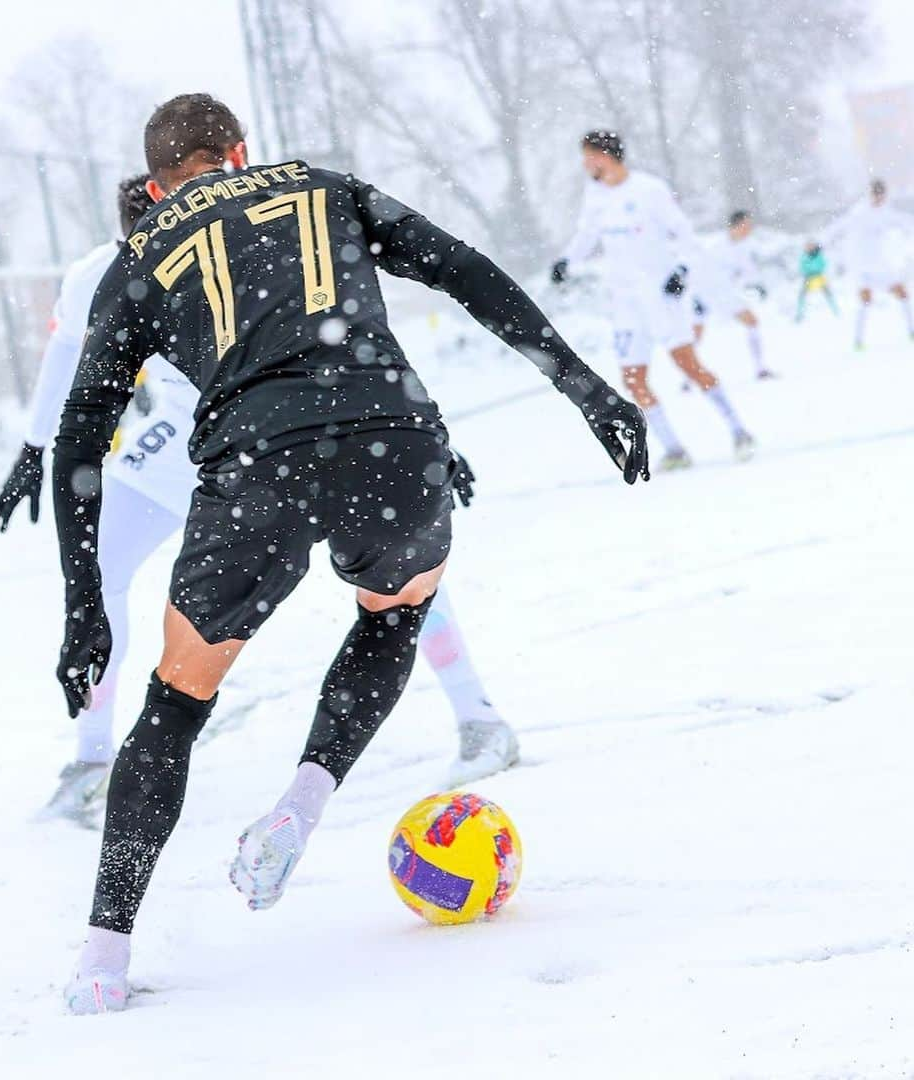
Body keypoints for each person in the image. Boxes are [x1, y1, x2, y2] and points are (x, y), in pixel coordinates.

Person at [54, 94, 647, 1014]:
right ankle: (305, 798)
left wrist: (83, 602)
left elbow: (80, 432)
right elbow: (468, 273)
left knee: (175, 703)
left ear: (162, 180)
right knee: (398, 609)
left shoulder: (140, 251)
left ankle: (103, 958)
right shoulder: (323, 188)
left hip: (255, 467)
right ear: (239, 152)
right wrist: (586, 387)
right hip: (393, 436)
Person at [0, 179, 519, 826]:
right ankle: (92, 760)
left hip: (261, 455)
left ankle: (477, 715)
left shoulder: (261, 240)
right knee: (101, 576)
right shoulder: (99, 276)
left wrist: (431, 442)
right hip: (169, 456)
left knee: (399, 563)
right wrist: (32, 446)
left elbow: (354, 351)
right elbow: (65, 354)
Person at [551, 131, 755, 471]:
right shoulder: (595, 196)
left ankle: (739, 431)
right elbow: (586, 236)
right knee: (633, 378)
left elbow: (686, 237)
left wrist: (681, 271)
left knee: (688, 365)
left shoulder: (649, 191)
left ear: (606, 155)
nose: (586, 164)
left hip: (659, 296)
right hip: (625, 303)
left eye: (589, 156)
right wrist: (566, 261)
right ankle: (674, 449)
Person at [819, 178, 914, 349]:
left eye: (881, 195)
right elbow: (837, 227)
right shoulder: (859, 213)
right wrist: (819, 243)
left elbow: (906, 222)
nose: (878, 198)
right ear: (870, 194)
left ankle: (911, 331)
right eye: (875, 194)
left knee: (902, 293)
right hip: (861, 267)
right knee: (865, 300)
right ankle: (858, 341)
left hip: (880, 266)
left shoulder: (886, 212)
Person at [692, 211, 776, 380]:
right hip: (708, 294)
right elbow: (699, 268)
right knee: (695, 335)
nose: (748, 229)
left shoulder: (744, 247)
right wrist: (698, 297)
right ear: (734, 226)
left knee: (752, 322)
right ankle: (689, 377)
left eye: (749, 226)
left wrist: (758, 285)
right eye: (745, 225)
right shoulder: (716, 245)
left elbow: (748, 271)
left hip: (724, 295)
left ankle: (760, 368)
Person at [794, 242, 839, 323]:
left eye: (810, 246)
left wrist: (812, 268)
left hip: (819, 278)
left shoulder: (818, 255)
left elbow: (822, 265)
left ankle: (836, 312)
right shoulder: (805, 256)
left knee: (828, 295)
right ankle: (799, 315)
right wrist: (810, 268)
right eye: (808, 247)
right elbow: (802, 267)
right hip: (809, 278)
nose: (809, 248)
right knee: (802, 296)